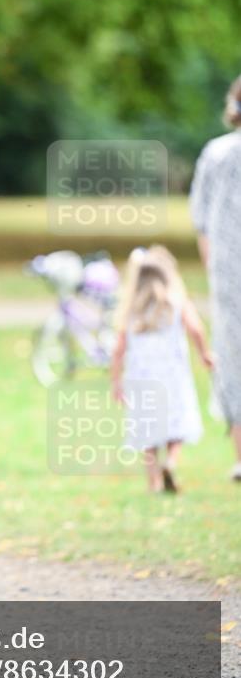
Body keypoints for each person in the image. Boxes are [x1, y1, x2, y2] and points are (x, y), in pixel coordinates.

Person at [111, 245, 213, 493]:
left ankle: (153, 480)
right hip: (173, 375)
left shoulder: (132, 308)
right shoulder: (177, 302)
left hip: (141, 377)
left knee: (149, 428)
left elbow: (118, 348)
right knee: (175, 422)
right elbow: (196, 329)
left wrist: (116, 381)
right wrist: (205, 354)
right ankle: (172, 461)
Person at [189, 74, 241, 483]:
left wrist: (213, 270)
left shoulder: (215, 153)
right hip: (227, 269)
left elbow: (201, 221)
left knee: (231, 355)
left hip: (226, 271)